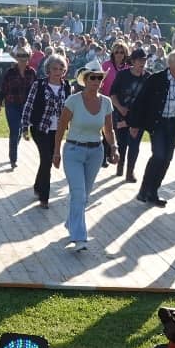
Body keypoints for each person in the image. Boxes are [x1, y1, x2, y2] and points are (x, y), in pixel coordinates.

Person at [53, 62, 115, 250]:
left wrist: (114, 147)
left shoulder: (106, 102)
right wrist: (56, 152)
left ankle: (71, 223)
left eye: (99, 78)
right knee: (78, 193)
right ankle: (79, 237)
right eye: (92, 77)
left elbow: (108, 130)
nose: (96, 81)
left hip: (96, 153)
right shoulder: (73, 100)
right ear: (85, 80)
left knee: (84, 196)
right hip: (73, 151)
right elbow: (61, 127)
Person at [127, 49, 175, 207]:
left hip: (174, 124)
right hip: (158, 123)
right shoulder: (156, 79)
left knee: (167, 159)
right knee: (158, 155)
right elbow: (141, 101)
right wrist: (135, 124)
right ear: (170, 63)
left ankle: (153, 192)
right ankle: (144, 190)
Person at [21, 54, 73, 209]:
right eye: (54, 68)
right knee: (46, 160)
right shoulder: (39, 85)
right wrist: (24, 127)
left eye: (60, 69)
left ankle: (38, 186)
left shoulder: (67, 86)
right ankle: (44, 197)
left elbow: (70, 109)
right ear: (48, 70)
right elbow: (28, 105)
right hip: (40, 128)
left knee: (47, 161)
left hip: (57, 130)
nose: (57, 71)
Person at [109, 48, 149, 181]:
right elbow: (113, 94)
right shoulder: (122, 75)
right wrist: (120, 108)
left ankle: (130, 172)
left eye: (144, 60)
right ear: (132, 61)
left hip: (139, 117)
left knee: (134, 144)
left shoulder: (148, 77)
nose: (142, 63)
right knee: (122, 143)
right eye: (139, 60)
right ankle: (120, 166)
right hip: (121, 114)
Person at [0, 48, 37, 171]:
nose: (22, 57)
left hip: (26, 107)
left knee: (19, 131)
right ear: (16, 57)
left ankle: (14, 149)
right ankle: (13, 159)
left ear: (28, 57)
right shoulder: (10, 72)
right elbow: (3, 88)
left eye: (25, 55)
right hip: (12, 105)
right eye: (20, 55)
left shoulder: (32, 72)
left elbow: (36, 90)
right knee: (14, 131)